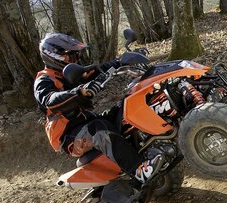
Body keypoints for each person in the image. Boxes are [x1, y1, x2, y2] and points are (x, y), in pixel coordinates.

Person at [33, 32, 163, 184]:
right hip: (71, 136)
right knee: (99, 129)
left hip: (87, 123)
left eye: (75, 56)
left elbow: (98, 70)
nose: (74, 60)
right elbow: (49, 100)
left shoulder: (69, 73)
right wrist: (79, 92)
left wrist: (122, 60)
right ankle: (139, 170)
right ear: (54, 57)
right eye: (69, 56)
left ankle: (154, 145)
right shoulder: (44, 79)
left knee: (125, 108)